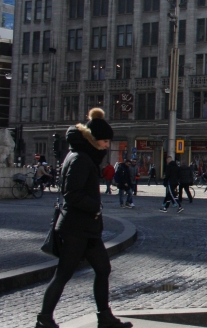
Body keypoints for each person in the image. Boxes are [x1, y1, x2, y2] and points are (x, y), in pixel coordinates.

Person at [36, 108, 132, 328]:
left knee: (103, 269)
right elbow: (72, 193)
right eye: (105, 141)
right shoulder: (80, 158)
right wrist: (95, 207)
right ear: (94, 140)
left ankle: (105, 317)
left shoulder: (83, 155)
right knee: (63, 274)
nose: (107, 145)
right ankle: (44, 320)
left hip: (87, 228)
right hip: (76, 228)